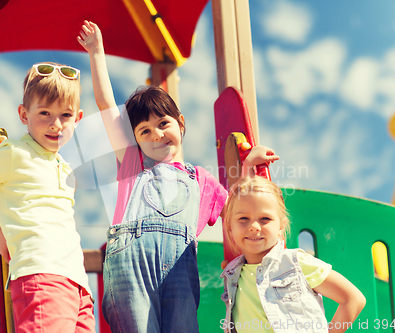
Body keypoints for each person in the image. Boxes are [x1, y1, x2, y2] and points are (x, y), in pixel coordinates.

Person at [77, 20, 279, 333]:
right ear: (134, 138)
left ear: (180, 123)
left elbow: (239, 207)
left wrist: (249, 165)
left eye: (163, 124)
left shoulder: (202, 180)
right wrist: (96, 52)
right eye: (144, 131)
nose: (156, 135)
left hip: (179, 273)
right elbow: (106, 104)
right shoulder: (133, 162)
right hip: (131, 269)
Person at [0, 62, 96, 333]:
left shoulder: (66, 170)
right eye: (44, 113)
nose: (56, 124)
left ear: (78, 118)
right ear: (24, 114)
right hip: (41, 273)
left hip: (78, 285)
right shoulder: (15, 153)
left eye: (65, 115)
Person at [220, 176, 366, 333]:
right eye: (243, 218)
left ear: (281, 227)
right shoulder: (231, 274)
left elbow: (353, 299)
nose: (254, 226)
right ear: (230, 227)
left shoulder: (295, 263)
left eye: (265, 218)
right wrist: (248, 163)